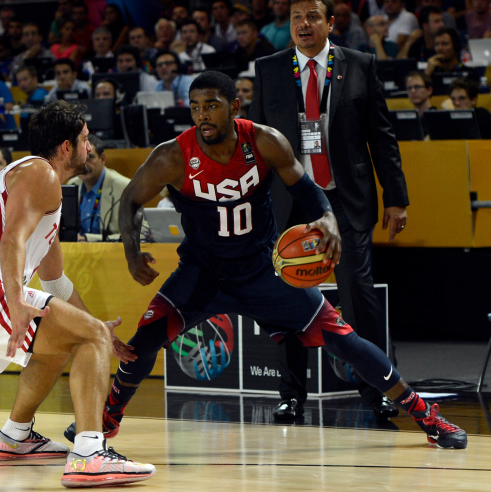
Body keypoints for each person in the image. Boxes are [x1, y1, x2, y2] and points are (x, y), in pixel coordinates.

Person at [59, 70, 467, 450]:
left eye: (213, 105)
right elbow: (130, 200)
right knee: (142, 343)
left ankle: (427, 416)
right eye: (196, 106)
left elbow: (307, 190)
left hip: (264, 269)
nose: (203, 114)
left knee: (347, 342)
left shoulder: (265, 141)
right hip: (202, 273)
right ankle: (104, 421)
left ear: (235, 107)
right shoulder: (173, 156)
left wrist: (327, 217)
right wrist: (132, 252)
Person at [0, 100, 156, 487]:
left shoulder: (44, 188)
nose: (89, 147)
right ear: (66, 147)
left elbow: (56, 283)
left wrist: (97, 328)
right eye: (84, 140)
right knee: (87, 338)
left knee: (67, 342)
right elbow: (10, 239)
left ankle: (14, 437)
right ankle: (88, 453)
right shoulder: (41, 173)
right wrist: (17, 300)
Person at [249, 0, 409, 423]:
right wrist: (251, 204)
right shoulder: (268, 69)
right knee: (287, 300)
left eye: (313, 17)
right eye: (296, 18)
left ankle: (378, 390)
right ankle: (291, 396)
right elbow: (257, 144)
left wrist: (396, 197)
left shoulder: (359, 64)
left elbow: (382, 137)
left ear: (330, 23)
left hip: (345, 199)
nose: (304, 24)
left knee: (358, 294)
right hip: (290, 202)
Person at [67, 135, 130, 242]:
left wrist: (87, 239)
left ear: (102, 159)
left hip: (110, 254)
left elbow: (140, 233)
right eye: (79, 158)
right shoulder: (71, 186)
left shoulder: (124, 188)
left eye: (90, 157)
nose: (84, 164)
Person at [406, 70, 436, 137]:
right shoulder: (407, 121)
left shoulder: (437, 118)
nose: (413, 91)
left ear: (429, 90)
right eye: (409, 88)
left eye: (417, 87)